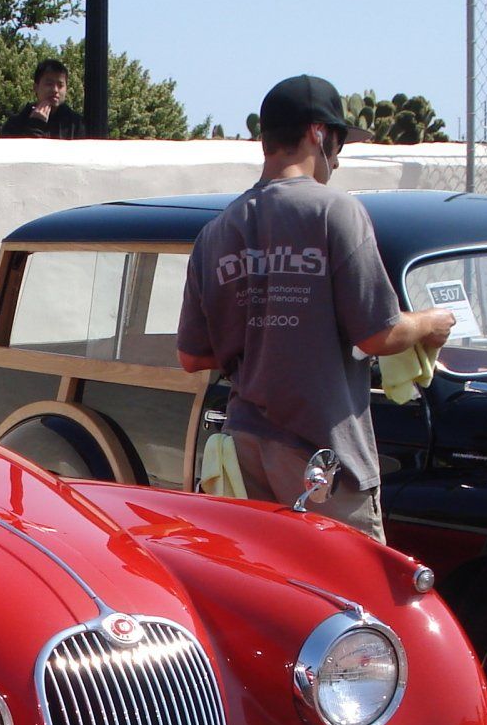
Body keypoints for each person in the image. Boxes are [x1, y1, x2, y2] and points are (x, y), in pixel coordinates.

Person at [176, 74, 454, 542]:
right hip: (324, 458)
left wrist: (259, 339)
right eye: (339, 142)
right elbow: (378, 336)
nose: (339, 160)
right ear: (317, 134)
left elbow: (192, 357)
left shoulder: (217, 232)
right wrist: (430, 322)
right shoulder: (335, 212)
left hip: (247, 451)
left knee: (271, 589)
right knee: (351, 597)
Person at [0, 59, 86, 140]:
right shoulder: (16, 123)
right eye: (49, 84)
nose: (55, 90)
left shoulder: (76, 125)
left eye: (60, 85)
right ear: (36, 87)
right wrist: (35, 126)